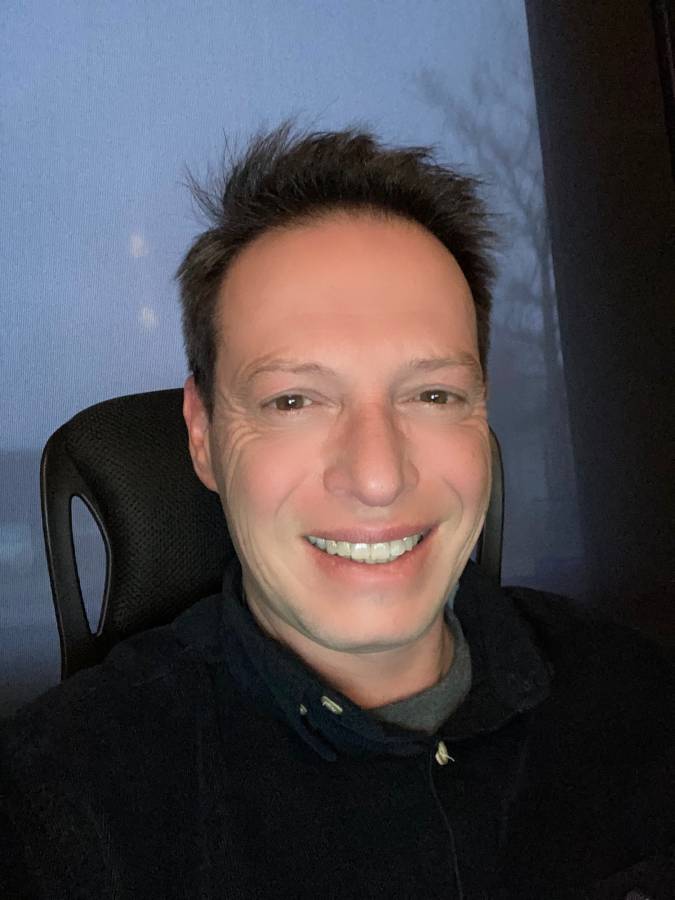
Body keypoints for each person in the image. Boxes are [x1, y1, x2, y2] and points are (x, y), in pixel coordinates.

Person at [1, 125, 673, 899]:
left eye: (433, 394)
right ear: (203, 437)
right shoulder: (60, 807)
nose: (378, 477)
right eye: (293, 400)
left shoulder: (634, 697)